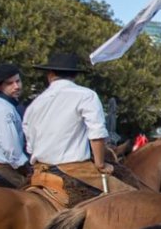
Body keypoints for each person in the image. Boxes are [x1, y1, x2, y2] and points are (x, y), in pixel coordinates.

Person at [22, 52, 134, 193]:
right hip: (73, 170)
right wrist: (100, 164)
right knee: (133, 198)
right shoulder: (86, 95)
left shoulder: (34, 104)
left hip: (39, 171)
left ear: (50, 74)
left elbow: (30, 147)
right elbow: (97, 133)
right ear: (75, 75)